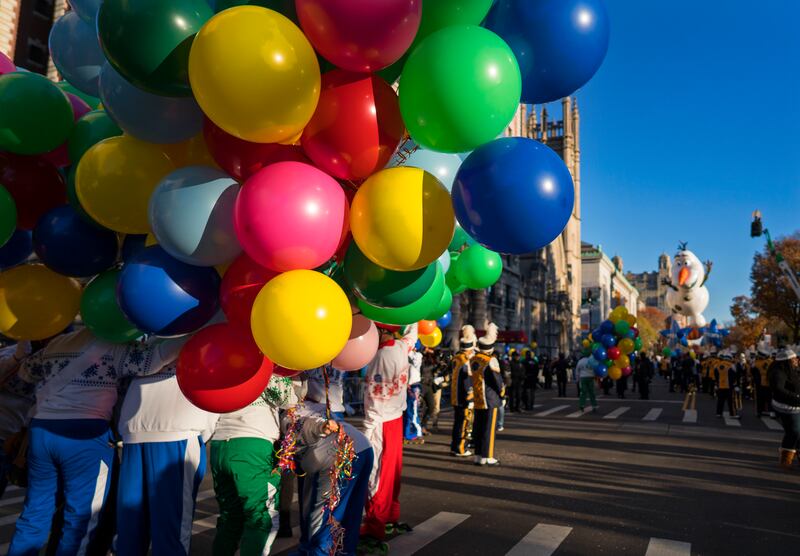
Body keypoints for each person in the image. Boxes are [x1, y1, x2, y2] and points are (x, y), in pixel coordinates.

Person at [7, 328, 186, 556]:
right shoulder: (113, 344)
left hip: (43, 430)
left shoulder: (58, 343)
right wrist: (190, 336)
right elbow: (149, 362)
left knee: (34, 512)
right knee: (81, 519)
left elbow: (26, 372)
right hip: (84, 434)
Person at [115, 363, 219, 556]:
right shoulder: (202, 339)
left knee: (132, 527)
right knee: (168, 529)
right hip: (176, 432)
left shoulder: (148, 339)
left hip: (137, 430)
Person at [284, 378, 374, 556]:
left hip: (336, 454)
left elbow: (306, 426)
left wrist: (320, 427)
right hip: (363, 447)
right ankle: (344, 551)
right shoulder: (320, 405)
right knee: (350, 515)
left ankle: (317, 552)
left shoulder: (291, 412)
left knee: (322, 520)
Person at [210, 374, 296, 556]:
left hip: (220, 443)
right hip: (253, 444)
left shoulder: (226, 351)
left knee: (230, 517)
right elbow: (287, 399)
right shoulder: (263, 363)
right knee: (261, 518)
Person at [359, 324, 417, 552]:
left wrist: (366, 430)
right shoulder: (402, 347)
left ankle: (375, 527)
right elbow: (412, 334)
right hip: (395, 419)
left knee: (377, 476)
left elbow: (376, 398)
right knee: (392, 472)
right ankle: (390, 517)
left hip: (381, 421)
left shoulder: (382, 354)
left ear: (382, 331)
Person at [0, 341, 34, 499]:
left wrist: (23, 433)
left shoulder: (54, 357)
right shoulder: (9, 352)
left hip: (9, 438)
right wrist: (17, 357)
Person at [469, 324, 503, 466]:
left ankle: (478, 455)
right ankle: (488, 456)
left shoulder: (474, 359)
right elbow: (497, 382)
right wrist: (502, 394)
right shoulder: (491, 360)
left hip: (478, 398)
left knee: (478, 427)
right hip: (490, 399)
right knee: (489, 429)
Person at [769, 348, 800, 469]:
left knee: (796, 432)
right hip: (788, 407)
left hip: (794, 405)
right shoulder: (778, 373)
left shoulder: (790, 369)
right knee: (794, 432)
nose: (796, 360)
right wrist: (796, 397)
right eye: (793, 359)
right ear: (786, 360)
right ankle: (785, 460)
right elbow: (779, 390)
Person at [450, 326, 476, 457]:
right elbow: (467, 381)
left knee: (457, 423)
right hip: (463, 397)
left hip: (455, 396)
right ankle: (460, 448)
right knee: (464, 423)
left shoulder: (456, 357)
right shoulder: (466, 361)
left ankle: (454, 446)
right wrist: (470, 397)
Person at [420, 350, 445, 434]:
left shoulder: (433, 358)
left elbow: (433, 371)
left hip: (429, 385)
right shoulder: (420, 357)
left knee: (432, 406)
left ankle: (423, 425)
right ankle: (416, 428)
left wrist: (440, 366)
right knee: (417, 407)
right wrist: (425, 351)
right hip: (420, 384)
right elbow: (424, 369)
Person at [403, 350, 424, 444]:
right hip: (409, 388)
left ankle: (417, 433)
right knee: (408, 412)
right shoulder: (406, 365)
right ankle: (407, 433)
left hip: (413, 387)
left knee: (413, 412)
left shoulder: (416, 359)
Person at [715, 352, 739, 419]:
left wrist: (717, 384)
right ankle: (733, 414)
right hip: (729, 386)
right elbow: (734, 376)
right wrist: (736, 385)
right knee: (731, 401)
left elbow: (716, 376)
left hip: (720, 386)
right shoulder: (731, 365)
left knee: (720, 400)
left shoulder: (717, 365)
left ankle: (718, 413)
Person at [753, 348, 775, 417]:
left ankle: (759, 411)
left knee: (760, 398)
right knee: (770, 398)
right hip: (770, 383)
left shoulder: (756, 363)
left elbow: (752, 373)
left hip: (760, 384)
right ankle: (772, 412)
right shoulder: (771, 362)